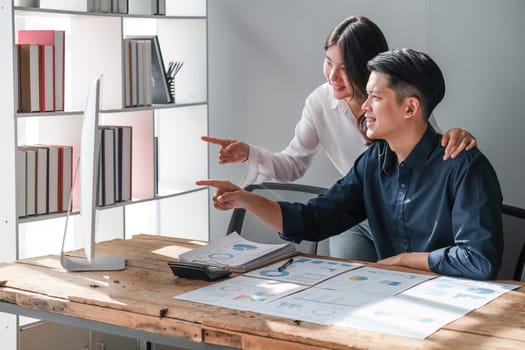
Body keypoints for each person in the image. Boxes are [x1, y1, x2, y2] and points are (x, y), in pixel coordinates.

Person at [197, 48, 503, 281]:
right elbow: (314, 220)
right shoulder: (373, 162)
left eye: (374, 98)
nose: (364, 107)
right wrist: (244, 199)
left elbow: (479, 260)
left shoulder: (464, 167)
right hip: (396, 300)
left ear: (410, 107)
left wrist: (402, 260)